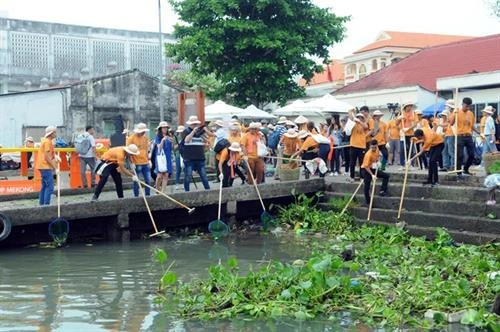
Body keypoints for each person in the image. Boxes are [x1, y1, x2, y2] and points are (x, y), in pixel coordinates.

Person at [181, 115, 212, 192]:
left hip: (200, 158)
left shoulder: (200, 133)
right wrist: (193, 132)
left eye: (196, 124)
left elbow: (205, 144)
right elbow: (186, 140)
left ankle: (208, 190)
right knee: (188, 176)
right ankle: (186, 192)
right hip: (189, 158)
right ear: (190, 124)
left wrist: (206, 142)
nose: (195, 125)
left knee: (204, 176)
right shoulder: (186, 131)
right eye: (193, 124)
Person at [449, 97, 479, 177]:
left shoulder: (471, 113)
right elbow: (451, 123)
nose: (468, 108)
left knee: (472, 154)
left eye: (469, 106)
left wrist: (479, 132)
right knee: (460, 155)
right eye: (466, 106)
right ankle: (459, 172)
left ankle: (466, 169)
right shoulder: (457, 112)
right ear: (462, 104)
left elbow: (472, 126)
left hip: (469, 136)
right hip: (460, 136)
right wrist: (454, 114)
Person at [126, 123, 152, 197]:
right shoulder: (131, 138)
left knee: (148, 180)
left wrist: (149, 160)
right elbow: (128, 152)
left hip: (145, 162)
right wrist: (131, 162)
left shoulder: (145, 138)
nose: (144, 132)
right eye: (142, 131)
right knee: (136, 181)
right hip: (136, 162)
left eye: (144, 131)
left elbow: (147, 149)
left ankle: (148, 195)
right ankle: (136, 196)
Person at [361, 140, 390, 204]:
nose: (374, 149)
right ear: (370, 146)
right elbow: (366, 167)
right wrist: (372, 175)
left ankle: (382, 191)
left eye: (375, 147)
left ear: (377, 145)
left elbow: (378, 156)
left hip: (373, 168)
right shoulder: (368, 154)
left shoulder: (377, 149)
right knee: (367, 186)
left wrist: (378, 161)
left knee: (386, 176)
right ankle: (368, 201)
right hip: (366, 170)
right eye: (372, 147)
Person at [36, 126, 59, 206]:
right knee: (50, 187)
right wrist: (55, 167)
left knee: (45, 186)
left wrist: (55, 157)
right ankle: (46, 204)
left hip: (42, 166)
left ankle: (42, 204)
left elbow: (48, 155)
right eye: (55, 132)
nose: (56, 134)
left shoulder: (46, 141)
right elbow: (47, 157)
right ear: (51, 133)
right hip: (45, 166)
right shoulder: (47, 142)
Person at [152, 121, 173, 193]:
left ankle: (163, 192)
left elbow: (172, 148)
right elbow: (159, 148)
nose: (165, 129)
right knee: (160, 175)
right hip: (160, 157)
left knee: (166, 175)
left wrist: (172, 141)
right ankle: (157, 189)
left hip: (168, 157)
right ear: (160, 129)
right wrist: (163, 140)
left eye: (166, 127)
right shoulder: (158, 137)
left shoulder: (169, 136)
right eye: (163, 128)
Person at [348, 110, 368, 182]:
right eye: (358, 117)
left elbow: (365, 127)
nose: (359, 118)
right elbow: (350, 117)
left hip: (362, 146)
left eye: (361, 117)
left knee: (361, 163)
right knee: (352, 162)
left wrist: (360, 121)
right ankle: (352, 177)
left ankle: (362, 177)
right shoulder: (353, 124)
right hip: (353, 145)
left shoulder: (364, 124)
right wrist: (352, 113)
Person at [396, 102, 417, 167]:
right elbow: (396, 123)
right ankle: (402, 164)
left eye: (411, 106)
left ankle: (410, 164)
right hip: (403, 134)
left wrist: (408, 128)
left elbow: (415, 124)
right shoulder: (401, 113)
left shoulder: (413, 113)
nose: (409, 107)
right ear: (405, 107)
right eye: (408, 106)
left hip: (411, 133)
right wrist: (399, 119)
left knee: (410, 149)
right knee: (402, 149)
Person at [173, 125, 185, 190]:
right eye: (180, 132)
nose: (181, 133)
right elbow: (174, 148)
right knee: (178, 169)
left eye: (182, 131)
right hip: (178, 155)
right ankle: (177, 184)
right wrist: (179, 143)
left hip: (185, 154)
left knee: (186, 170)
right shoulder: (176, 138)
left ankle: (185, 183)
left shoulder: (186, 137)